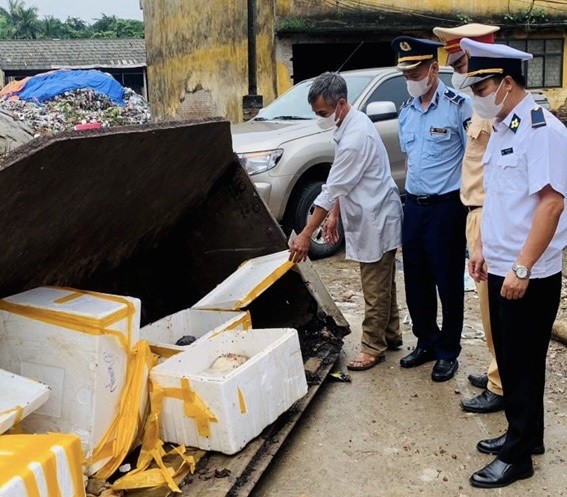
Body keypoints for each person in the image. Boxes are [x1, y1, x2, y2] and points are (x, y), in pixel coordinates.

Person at [463, 38, 567, 488]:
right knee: (515, 360)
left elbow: (550, 205)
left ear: (506, 83)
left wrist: (522, 267)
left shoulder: (542, 130)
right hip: (503, 266)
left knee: (521, 363)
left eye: (480, 86)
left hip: (529, 275)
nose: (476, 96)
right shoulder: (504, 126)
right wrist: (484, 248)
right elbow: (501, 202)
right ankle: (527, 435)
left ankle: (518, 455)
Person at [288, 71, 403, 371]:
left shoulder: (355, 137)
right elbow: (344, 183)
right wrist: (335, 216)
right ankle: (391, 335)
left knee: (375, 285)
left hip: (375, 217)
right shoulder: (350, 124)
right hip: (370, 211)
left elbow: (332, 189)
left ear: (341, 104)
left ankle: (372, 347)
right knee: (383, 280)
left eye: (323, 113)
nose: (320, 118)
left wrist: (305, 234)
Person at [391, 36, 472, 381]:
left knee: (448, 282)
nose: (411, 79)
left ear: (433, 68)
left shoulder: (458, 106)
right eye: (406, 74)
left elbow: (474, 160)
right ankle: (425, 341)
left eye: (416, 71)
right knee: (416, 280)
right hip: (415, 207)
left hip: (446, 208)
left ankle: (447, 351)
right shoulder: (406, 114)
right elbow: (410, 161)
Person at [433, 23, 504, 413]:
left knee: (494, 309)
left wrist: (484, 234)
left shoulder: (494, 109)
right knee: (486, 305)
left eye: (459, 62)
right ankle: (497, 368)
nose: (455, 70)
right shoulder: (480, 106)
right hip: (474, 213)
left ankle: (500, 384)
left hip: (489, 216)